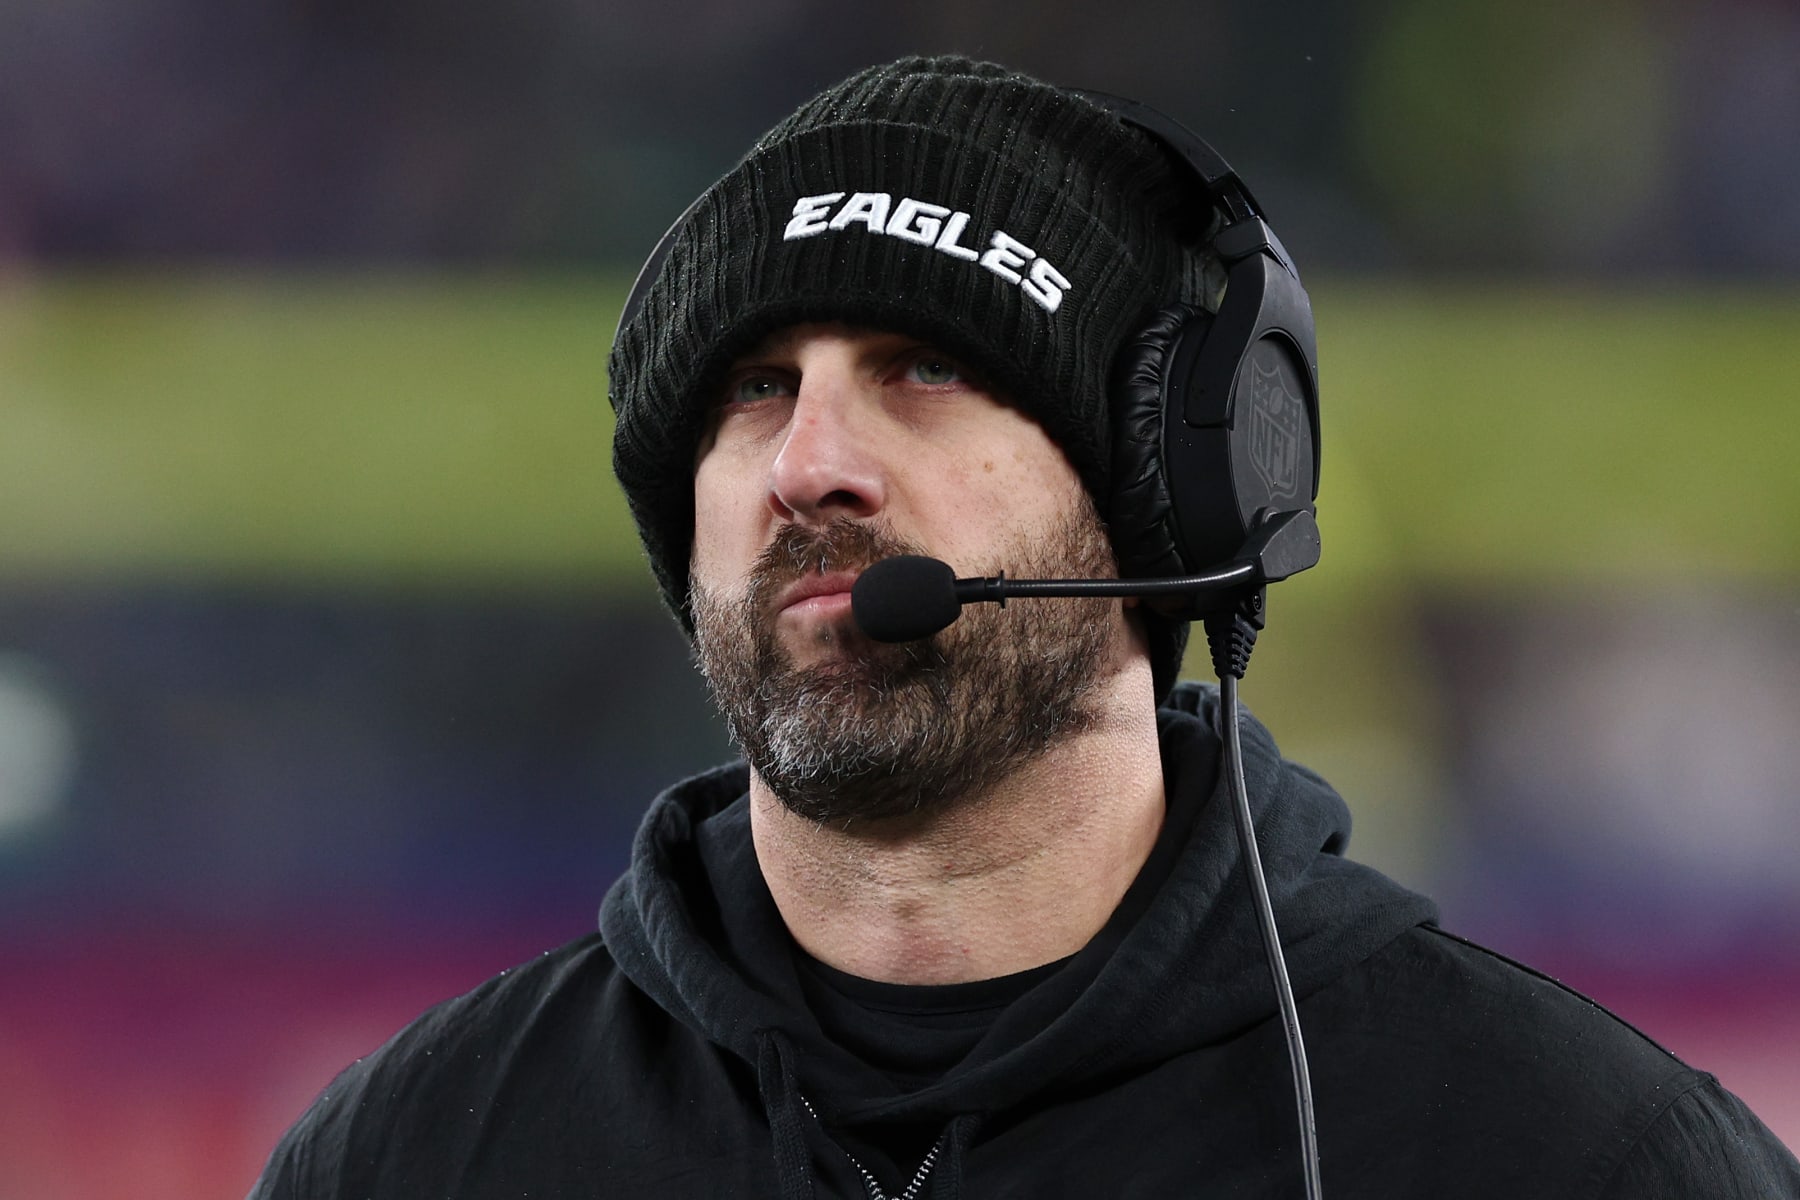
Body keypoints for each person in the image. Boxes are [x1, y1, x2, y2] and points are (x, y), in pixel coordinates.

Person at [250, 56, 1799, 1199]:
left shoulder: (1573, 1156)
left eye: (925, 368)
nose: (808, 464)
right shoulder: (408, 1158)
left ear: (1175, 494)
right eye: (756, 389)